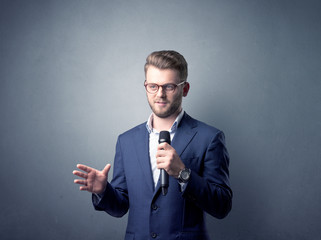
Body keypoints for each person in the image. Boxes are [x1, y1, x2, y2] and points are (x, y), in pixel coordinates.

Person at [73, 50, 232, 240]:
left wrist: (183, 174)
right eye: (153, 86)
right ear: (145, 86)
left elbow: (222, 206)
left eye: (169, 86)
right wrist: (103, 190)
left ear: (185, 89)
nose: (160, 94)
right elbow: (120, 207)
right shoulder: (126, 141)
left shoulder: (210, 138)